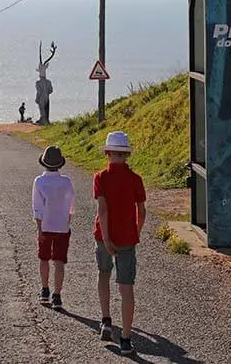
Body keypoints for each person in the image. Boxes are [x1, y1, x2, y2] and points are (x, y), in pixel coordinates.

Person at [93, 131, 146, 356]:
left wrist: (106, 237)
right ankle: (125, 338)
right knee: (126, 288)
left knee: (104, 274)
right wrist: (136, 231)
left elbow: (102, 210)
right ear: (126, 155)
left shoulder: (100, 177)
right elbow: (141, 211)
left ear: (107, 153)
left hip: (103, 237)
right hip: (127, 238)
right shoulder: (136, 179)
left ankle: (106, 320)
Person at [32, 145, 75, 310]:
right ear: (60, 164)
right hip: (62, 226)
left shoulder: (39, 181)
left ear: (44, 163)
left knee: (44, 258)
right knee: (59, 261)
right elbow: (71, 205)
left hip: (45, 226)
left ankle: (44, 289)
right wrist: (67, 219)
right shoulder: (66, 182)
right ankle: (57, 295)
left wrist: (39, 227)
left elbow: (37, 207)